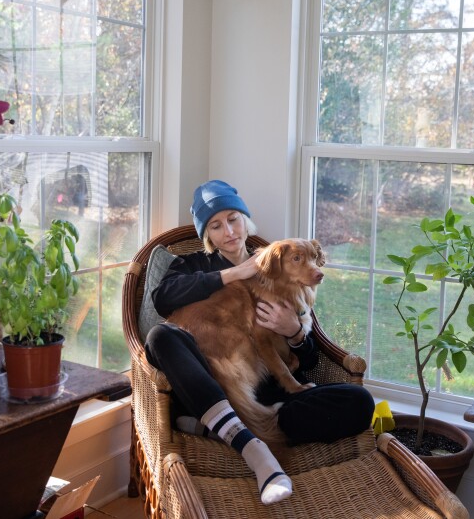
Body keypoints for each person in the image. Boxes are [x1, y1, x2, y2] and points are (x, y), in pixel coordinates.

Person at [144, 179, 375, 505]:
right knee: (161, 336)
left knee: (359, 402)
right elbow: (163, 298)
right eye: (215, 225)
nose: (228, 231)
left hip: (276, 397)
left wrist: (294, 331)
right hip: (212, 386)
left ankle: (220, 428)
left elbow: (310, 360)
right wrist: (235, 274)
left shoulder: (281, 263)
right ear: (207, 235)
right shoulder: (194, 264)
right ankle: (252, 447)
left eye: (233, 219)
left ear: (245, 219)